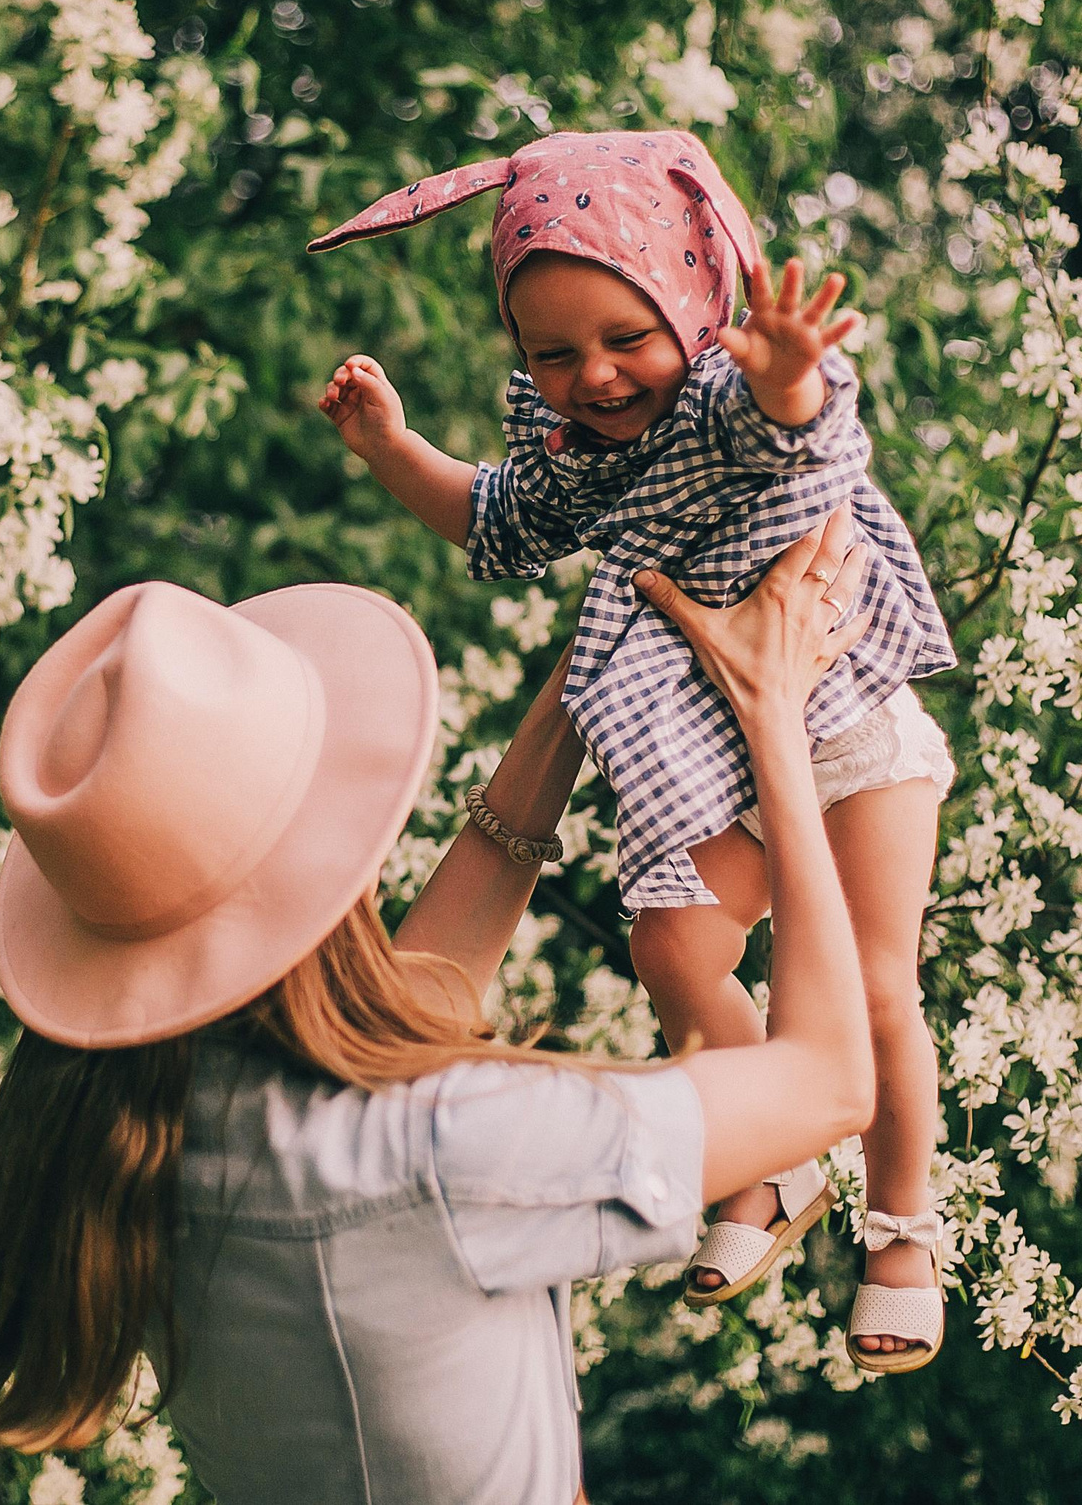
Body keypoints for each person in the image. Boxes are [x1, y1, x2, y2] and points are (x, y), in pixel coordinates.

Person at [0, 506, 880, 1503]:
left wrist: (577, 688)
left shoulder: (141, 1128)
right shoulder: (446, 1146)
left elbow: (401, 1024)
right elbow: (828, 1082)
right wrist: (772, 719)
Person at [306, 129, 958, 1366]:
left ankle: (901, 1230)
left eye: (624, 338)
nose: (594, 376)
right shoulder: (575, 448)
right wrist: (394, 450)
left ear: (694, 305)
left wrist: (785, 375)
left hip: (849, 729)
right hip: (716, 752)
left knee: (878, 990)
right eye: (552, 353)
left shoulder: (723, 389)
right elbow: (493, 519)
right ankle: (764, 1160)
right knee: (671, 943)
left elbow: (796, 434)